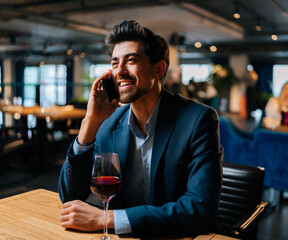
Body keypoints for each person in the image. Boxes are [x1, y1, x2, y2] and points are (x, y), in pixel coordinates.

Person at [58, 20, 223, 238]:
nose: (120, 71)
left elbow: (200, 210)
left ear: (158, 69)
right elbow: (70, 196)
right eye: (115, 63)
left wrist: (107, 219)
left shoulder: (198, 120)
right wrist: (90, 122)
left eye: (131, 60)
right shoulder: (107, 125)